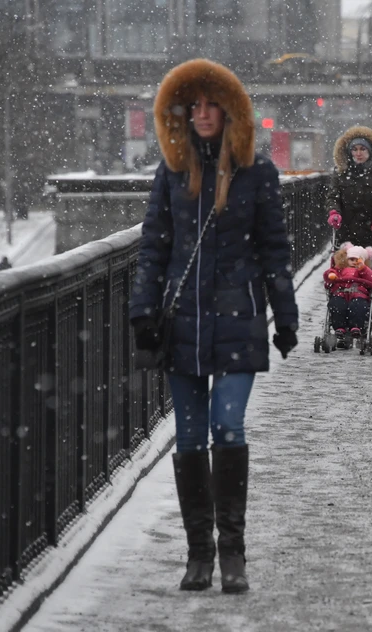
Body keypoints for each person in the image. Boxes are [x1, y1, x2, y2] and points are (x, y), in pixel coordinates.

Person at [129, 58, 299, 594]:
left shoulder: (257, 174)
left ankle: (233, 554)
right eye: (193, 106)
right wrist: (142, 312)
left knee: (228, 427)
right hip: (181, 324)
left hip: (237, 319)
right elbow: (153, 251)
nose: (202, 114)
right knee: (187, 436)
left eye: (211, 105)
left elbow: (275, 250)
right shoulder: (172, 173)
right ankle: (198, 555)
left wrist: (286, 315)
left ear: (230, 113)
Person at [325, 126, 372, 249]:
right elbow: (333, 197)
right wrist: (334, 212)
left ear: (371, 151)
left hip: (371, 233)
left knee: (366, 267)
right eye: (354, 149)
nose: (358, 153)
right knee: (344, 267)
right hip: (344, 233)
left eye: (363, 149)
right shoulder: (341, 173)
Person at [324, 244, 372, 344]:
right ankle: (340, 327)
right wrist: (331, 275)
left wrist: (363, 269)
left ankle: (356, 326)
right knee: (337, 306)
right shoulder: (340, 269)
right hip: (340, 293)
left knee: (358, 307)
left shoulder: (364, 270)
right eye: (351, 259)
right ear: (346, 259)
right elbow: (329, 273)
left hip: (359, 294)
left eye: (357, 260)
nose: (354, 262)